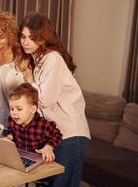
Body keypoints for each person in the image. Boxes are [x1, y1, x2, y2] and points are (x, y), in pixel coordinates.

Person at [14, 12, 90, 187]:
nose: (25, 42)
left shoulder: (52, 58)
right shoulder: (37, 59)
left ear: (43, 38)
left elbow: (44, 100)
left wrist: (28, 76)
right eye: (23, 37)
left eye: (32, 38)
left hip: (71, 134)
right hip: (57, 134)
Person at [5, 83, 62, 163]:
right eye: (12, 109)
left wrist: (49, 147)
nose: (14, 113)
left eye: (19, 109)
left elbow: (57, 135)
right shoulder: (13, 119)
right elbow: (10, 129)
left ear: (33, 109)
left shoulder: (42, 125)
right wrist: (9, 137)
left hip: (38, 162)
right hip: (20, 159)